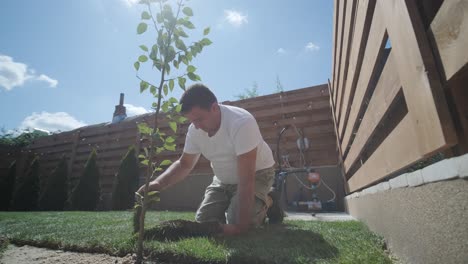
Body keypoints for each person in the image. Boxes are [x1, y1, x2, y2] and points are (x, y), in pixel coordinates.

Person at [137, 83, 275, 235]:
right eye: (192, 121)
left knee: (240, 221)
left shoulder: (241, 123)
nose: (196, 126)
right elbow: (185, 164)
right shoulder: (195, 129)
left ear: (214, 107)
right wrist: (158, 184)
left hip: (257, 174)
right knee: (203, 223)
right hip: (223, 180)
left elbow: (247, 180)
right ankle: (244, 200)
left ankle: (268, 200)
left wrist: (241, 227)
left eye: (199, 119)